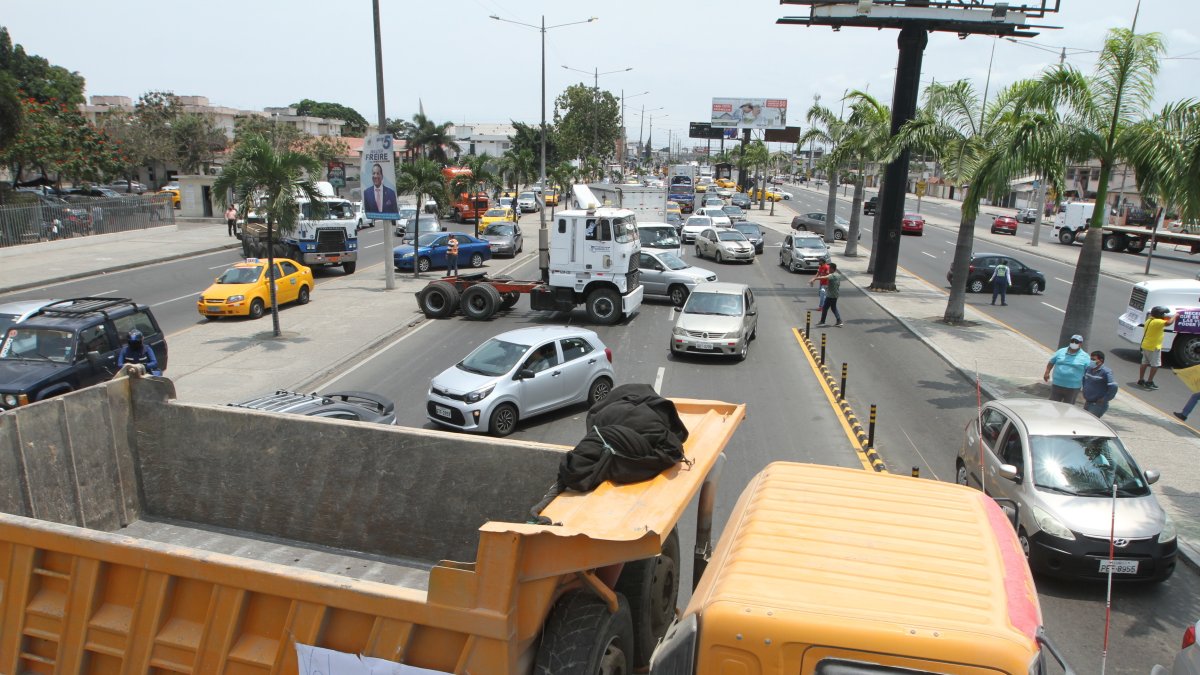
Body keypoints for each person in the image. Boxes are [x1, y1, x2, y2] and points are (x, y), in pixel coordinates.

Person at [1043, 334, 1089, 404]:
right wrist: (1047, 372)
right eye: (1072, 341)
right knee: (1052, 405)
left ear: (1080, 344)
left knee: (1068, 407)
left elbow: (1088, 370)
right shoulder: (1061, 351)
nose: (1074, 343)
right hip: (1057, 384)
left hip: (1073, 387)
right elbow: (1051, 362)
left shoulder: (1085, 356)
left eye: (1076, 342)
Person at [1138, 306, 1175, 390]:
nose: (1164, 315)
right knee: (1155, 365)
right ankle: (1149, 382)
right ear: (1159, 315)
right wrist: (1175, 316)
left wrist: (1166, 317)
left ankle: (1141, 379)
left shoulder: (1149, 320)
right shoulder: (1158, 322)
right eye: (1163, 314)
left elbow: (1165, 320)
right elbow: (1169, 323)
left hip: (1146, 345)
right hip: (1154, 347)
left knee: (1144, 363)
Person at [1081, 350, 1118, 417]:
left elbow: (1113, 387)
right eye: (1091, 359)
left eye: (1094, 359)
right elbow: (1084, 380)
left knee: (1089, 421)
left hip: (1097, 405)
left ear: (1101, 360)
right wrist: (1084, 391)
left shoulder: (1106, 372)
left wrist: (1105, 399)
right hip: (1088, 401)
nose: (1091, 361)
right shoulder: (1088, 369)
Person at [809, 262, 843, 327]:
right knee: (833, 308)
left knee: (824, 308)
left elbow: (824, 277)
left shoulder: (831, 275)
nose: (828, 270)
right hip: (836, 295)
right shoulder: (838, 275)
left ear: (832, 269)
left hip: (830, 295)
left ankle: (822, 321)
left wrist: (815, 278)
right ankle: (839, 321)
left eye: (829, 268)